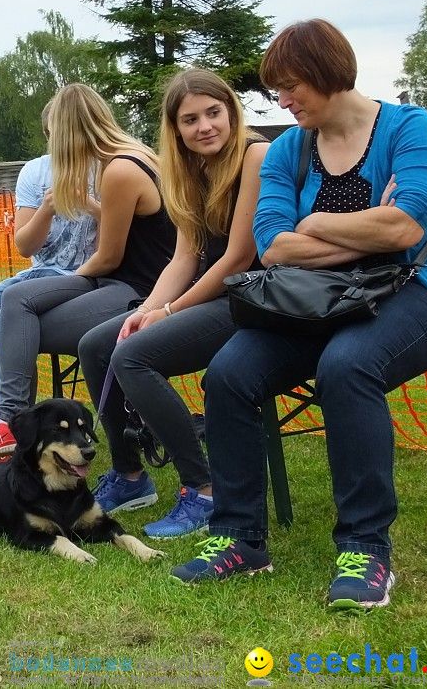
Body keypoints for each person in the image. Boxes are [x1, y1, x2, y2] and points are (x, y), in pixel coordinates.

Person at [171, 20, 427, 611]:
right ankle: (239, 539)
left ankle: (365, 548)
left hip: (414, 293)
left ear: (329, 73)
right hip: (313, 302)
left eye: (289, 86)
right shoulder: (286, 148)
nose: (280, 100)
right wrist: (365, 232)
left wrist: (316, 225)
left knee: (346, 367)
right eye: (275, 88)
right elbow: (274, 245)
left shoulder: (411, 128)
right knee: (228, 375)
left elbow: (409, 226)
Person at [78, 68, 269, 536]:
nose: (204, 126)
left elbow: (239, 257)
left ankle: (203, 489)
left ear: (230, 111)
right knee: (97, 344)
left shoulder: (256, 155)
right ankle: (128, 476)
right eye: (190, 119)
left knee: (134, 355)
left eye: (213, 113)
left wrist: (168, 312)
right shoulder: (185, 171)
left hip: (256, 296)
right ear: (175, 129)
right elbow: (184, 257)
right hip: (212, 291)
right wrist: (148, 309)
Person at [0, 83, 176, 460]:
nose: (52, 147)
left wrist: (73, 281)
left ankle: (13, 425)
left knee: (11, 318)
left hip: (136, 287)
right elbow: (30, 245)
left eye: (53, 135)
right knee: (14, 299)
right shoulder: (126, 158)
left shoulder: (121, 168)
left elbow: (108, 256)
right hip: (111, 279)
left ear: (67, 132)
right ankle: (8, 421)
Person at [0, 97, 99, 442]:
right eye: (58, 132)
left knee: (1, 323)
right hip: (38, 275)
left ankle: (15, 430)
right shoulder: (35, 171)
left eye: (72, 129)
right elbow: (24, 246)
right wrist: (46, 209)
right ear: (48, 133)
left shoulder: (108, 166)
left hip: (91, 278)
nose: (66, 140)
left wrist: (89, 204)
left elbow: (128, 231)